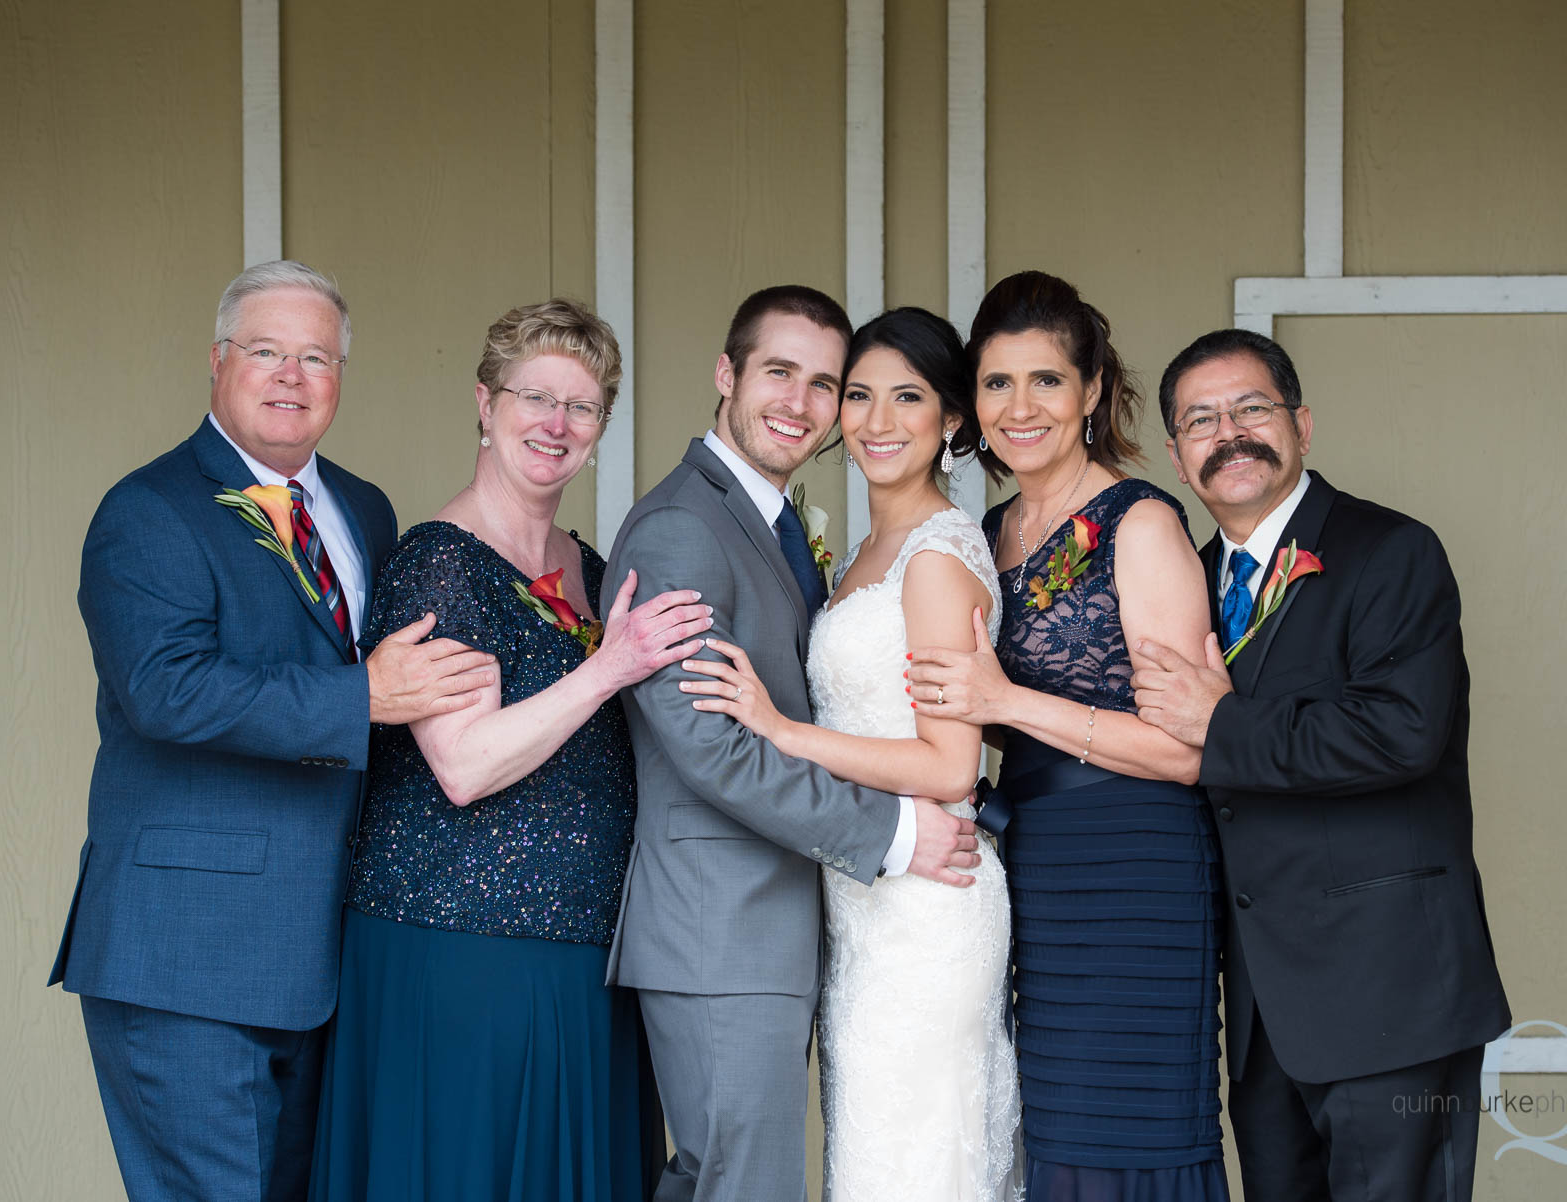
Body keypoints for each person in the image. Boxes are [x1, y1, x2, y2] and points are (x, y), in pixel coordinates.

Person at [49, 260, 497, 1202]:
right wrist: (359, 700)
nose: (291, 376)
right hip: (187, 957)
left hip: (325, 957)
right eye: (265, 351)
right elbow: (164, 690)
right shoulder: (148, 510)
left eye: (316, 357)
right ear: (217, 363)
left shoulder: (365, 510)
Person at [306, 299, 713, 1202]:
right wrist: (609, 669)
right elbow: (464, 765)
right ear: (485, 406)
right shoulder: (438, 562)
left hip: (586, 960)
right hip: (459, 953)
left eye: (582, 406)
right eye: (534, 397)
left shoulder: (597, 572)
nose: (555, 424)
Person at [600, 286, 983, 1202]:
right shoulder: (684, 527)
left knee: (727, 1182)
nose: (801, 405)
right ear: (726, 376)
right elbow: (711, 749)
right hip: (718, 927)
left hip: (777, 926)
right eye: (779, 372)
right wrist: (892, 834)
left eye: (825, 384)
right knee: (741, 1184)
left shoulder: (772, 525)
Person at [1132, 328, 1510, 1202]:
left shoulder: (1390, 551)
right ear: (1179, 458)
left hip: (1391, 996)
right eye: (1200, 420)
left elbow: (1401, 733)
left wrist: (1221, 723)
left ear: (1301, 424)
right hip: (1265, 1015)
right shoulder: (1183, 583)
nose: (1229, 432)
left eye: (1251, 408)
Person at [904, 270, 1229, 1201]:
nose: (1020, 407)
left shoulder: (1143, 523)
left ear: (1091, 391)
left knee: (1128, 1133)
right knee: (1050, 1129)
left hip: (1136, 866)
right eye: (998, 383)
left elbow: (1186, 750)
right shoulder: (991, 530)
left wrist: (1004, 702)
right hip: (1034, 864)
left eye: (1046, 380)